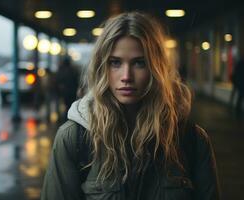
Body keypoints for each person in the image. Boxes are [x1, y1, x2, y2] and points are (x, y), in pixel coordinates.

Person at [41, 12, 220, 200]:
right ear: (102, 67)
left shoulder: (191, 140)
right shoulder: (74, 139)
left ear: (156, 68)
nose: (126, 76)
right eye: (115, 62)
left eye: (139, 63)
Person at [56, 57, 79, 121]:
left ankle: (65, 117)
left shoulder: (61, 70)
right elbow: (76, 81)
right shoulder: (73, 70)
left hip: (65, 92)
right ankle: (69, 117)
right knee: (70, 105)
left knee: (66, 105)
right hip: (72, 91)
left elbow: (58, 81)